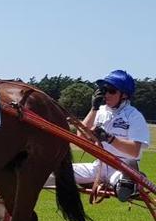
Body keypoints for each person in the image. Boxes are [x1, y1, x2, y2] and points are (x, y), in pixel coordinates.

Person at [45, 69, 150, 202]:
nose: (106, 94)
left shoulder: (134, 116)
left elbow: (134, 151)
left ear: (124, 95)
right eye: (104, 90)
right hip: (98, 166)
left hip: (123, 167)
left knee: (122, 184)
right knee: (49, 173)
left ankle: (131, 182)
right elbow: (81, 137)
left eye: (111, 90)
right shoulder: (100, 112)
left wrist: (109, 138)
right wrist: (94, 108)